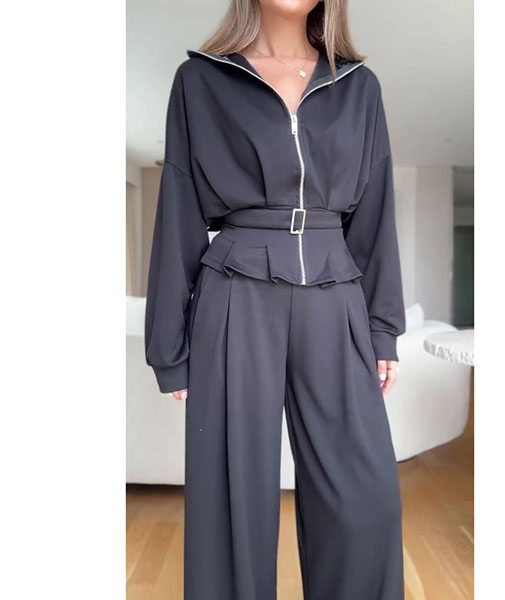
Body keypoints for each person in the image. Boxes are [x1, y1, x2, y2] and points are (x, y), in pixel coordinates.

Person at [144, 0, 407, 598]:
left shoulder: (359, 87)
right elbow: (178, 206)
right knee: (229, 503)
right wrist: (171, 347)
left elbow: (375, 213)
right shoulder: (200, 80)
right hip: (234, 294)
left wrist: (382, 327)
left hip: (336, 296)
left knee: (366, 501)